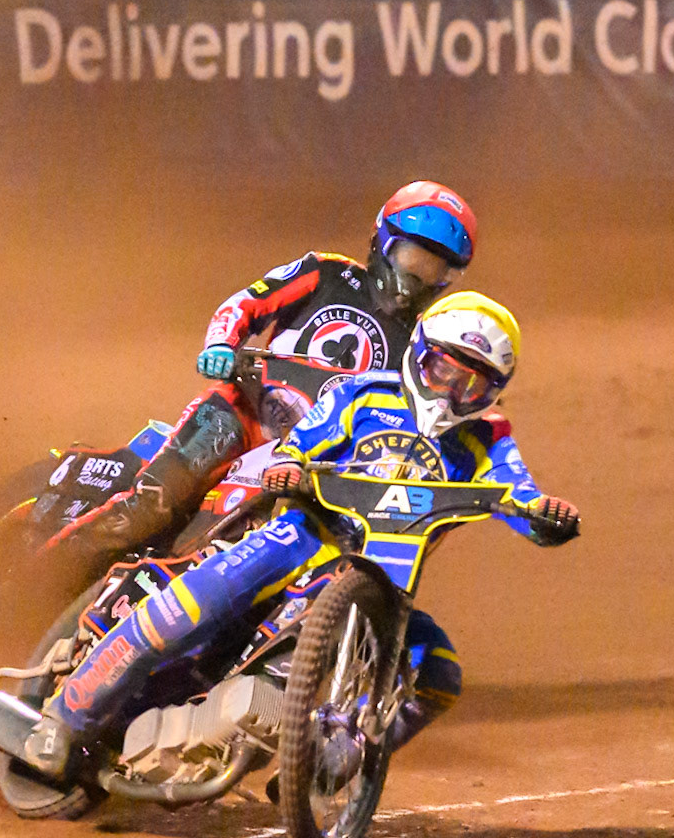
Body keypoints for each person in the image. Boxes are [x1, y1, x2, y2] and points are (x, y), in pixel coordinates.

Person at [17, 292, 579, 781]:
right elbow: (305, 438)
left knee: (438, 674)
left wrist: (545, 517)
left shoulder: (489, 436)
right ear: (417, 356)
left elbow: (518, 492)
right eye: (442, 371)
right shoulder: (363, 391)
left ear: (493, 391)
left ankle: (329, 767)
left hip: (385, 582)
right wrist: (288, 463)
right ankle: (65, 718)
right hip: (301, 537)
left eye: (471, 384)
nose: (451, 391)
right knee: (193, 604)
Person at [45, 181, 478, 568]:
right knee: (149, 506)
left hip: (308, 461)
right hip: (242, 414)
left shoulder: (423, 344)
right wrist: (220, 344)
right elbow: (247, 303)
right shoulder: (326, 272)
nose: (416, 277)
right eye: (412, 258)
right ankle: (24, 589)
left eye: (435, 268)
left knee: (269, 561)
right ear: (383, 241)